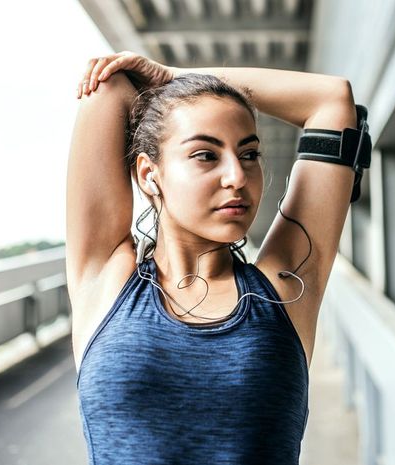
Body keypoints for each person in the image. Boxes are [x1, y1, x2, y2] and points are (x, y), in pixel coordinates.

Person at [66, 51, 362, 464]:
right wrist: (171, 89)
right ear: (150, 174)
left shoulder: (285, 287)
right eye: (206, 155)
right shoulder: (106, 281)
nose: (237, 177)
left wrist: (173, 76)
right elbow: (110, 84)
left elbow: (332, 99)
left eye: (249, 154)